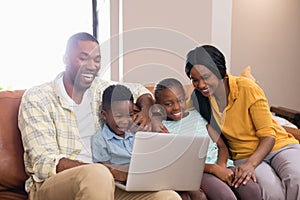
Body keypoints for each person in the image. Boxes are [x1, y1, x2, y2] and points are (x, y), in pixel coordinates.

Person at [18, 32, 181, 200]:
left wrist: (146, 111)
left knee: (167, 196)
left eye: (97, 60)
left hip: (105, 182)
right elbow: (44, 163)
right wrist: (109, 170)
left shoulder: (99, 89)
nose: (91, 66)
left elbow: (139, 90)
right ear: (66, 59)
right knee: (97, 174)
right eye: (83, 58)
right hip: (52, 185)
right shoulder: (37, 98)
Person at [185, 45, 300, 200]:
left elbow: (268, 136)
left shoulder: (247, 87)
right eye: (195, 80)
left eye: (206, 77)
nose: (201, 85)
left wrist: (251, 165)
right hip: (244, 154)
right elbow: (173, 107)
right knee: (271, 192)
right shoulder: (198, 98)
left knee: (297, 176)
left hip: (278, 146)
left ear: (221, 71)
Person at [152, 78, 262, 200]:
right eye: (168, 104)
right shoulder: (162, 129)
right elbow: (179, 161)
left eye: (180, 100)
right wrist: (214, 170)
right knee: (225, 196)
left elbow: (221, 146)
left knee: (252, 190)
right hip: (200, 172)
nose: (176, 107)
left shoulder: (197, 116)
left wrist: (221, 166)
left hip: (223, 165)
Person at [91, 84, 135, 181]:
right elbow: (104, 168)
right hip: (118, 181)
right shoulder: (100, 140)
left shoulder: (135, 135)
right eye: (119, 116)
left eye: (130, 115)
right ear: (104, 115)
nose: (125, 121)